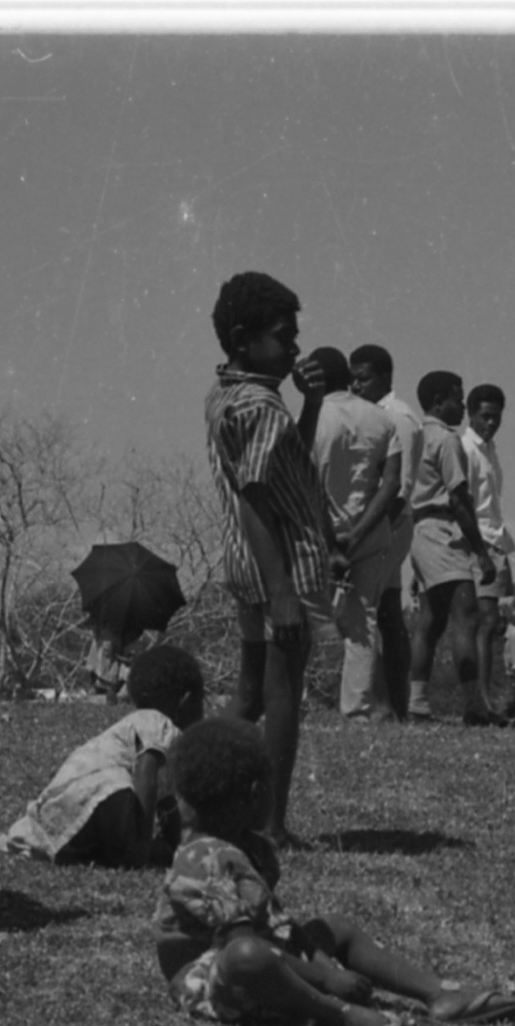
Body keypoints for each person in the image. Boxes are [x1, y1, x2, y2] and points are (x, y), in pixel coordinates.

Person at [154, 717, 515, 1026]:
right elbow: (245, 943)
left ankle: (438, 993)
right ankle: (340, 1015)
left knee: (334, 928)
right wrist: (324, 978)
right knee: (248, 956)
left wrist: (319, 958)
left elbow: (279, 924)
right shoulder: (203, 861)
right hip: (215, 981)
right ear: (255, 793)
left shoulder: (252, 848)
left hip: (266, 956)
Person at [202, 271, 336, 843]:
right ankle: (270, 824)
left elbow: (280, 463)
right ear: (242, 339)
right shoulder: (262, 406)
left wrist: (312, 405)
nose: (294, 349)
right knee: (282, 697)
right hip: (283, 565)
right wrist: (283, 592)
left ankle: (187, 788)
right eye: (283, 337)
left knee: (250, 693)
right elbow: (257, 497)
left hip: (246, 563)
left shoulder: (227, 394)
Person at [0, 640, 204, 864]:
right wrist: (142, 845)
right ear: (186, 702)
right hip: (90, 794)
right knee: (119, 789)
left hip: (67, 810)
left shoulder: (146, 726)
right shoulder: (158, 722)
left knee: (129, 811)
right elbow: (146, 774)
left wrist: (176, 845)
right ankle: (131, 852)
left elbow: (165, 800)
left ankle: (111, 851)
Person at [301, 347, 401, 724]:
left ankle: (294, 697)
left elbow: (307, 483)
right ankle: (356, 709)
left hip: (318, 533)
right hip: (369, 533)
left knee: (304, 618)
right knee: (363, 622)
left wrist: (332, 541)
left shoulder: (313, 419)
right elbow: (391, 485)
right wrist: (356, 537)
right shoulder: (382, 419)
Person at [406, 371, 502, 725]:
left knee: (430, 621)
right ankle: (474, 704)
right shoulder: (446, 441)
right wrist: (481, 552)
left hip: (419, 530)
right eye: (457, 400)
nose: (462, 407)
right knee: (467, 615)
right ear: (438, 402)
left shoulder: (415, 436)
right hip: (443, 529)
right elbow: (460, 499)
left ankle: (417, 702)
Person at [339, 343, 422, 722]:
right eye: (352, 379)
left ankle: (388, 703)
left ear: (385, 377)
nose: (357, 386)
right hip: (382, 524)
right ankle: (390, 705)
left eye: (364, 378)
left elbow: (398, 486)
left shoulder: (397, 417)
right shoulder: (373, 415)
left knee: (372, 611)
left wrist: (367, 534)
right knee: (387, 612)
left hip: (390, 522)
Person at [463, 383, 515, 721]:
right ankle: (482, 701)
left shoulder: (490, 450)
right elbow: (463, 503)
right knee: (485, 621)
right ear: (471, 414)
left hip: (495, 538)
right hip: (477, 542)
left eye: (496, 417)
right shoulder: (466, 449)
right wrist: (480, 551)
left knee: (488, 623)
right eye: (485, 416)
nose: (491, 423)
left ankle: (484, 700)